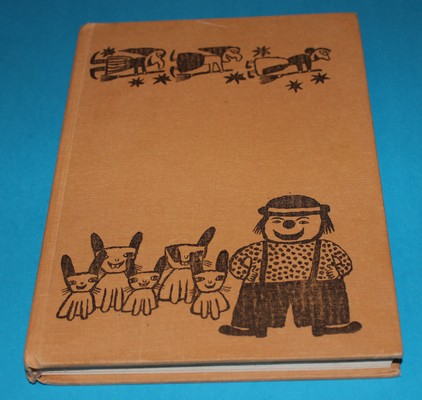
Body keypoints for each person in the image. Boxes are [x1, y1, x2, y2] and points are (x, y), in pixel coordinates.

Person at [219, 195, 362, 338]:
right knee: (258, 304)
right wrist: (245, 273)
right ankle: (252, 328)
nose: (289, 225)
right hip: (266, 282)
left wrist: (337, 271)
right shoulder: (259, 248)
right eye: (277, 221)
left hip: (318, 280)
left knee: (323, 302)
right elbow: (237, 261)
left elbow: (344, 261)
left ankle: (329, 326)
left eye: (303, 221)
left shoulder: (325, 246)